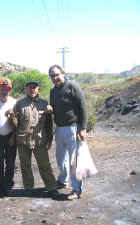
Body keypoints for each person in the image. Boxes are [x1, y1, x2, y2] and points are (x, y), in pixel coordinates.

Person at [8, 80, 60, 199]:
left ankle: (51, 187)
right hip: (23, 140)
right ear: (26, 89)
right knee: (25, 165)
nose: (32, 89)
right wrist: (12, 132)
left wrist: (50, 138)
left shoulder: (44, 104)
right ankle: (29, 188)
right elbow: (16, 123)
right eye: (29, 87)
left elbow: (48, 123)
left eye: (34, 87)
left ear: (38, 89)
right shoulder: (19, 103)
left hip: (39, 140)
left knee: (45, 165)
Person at [49, 65, 88, 200]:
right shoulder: (53, 91)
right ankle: (63, 180)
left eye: (56, 74)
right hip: (59, 128)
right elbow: (53, 108)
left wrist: (82, 128)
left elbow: (83, 106)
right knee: (61, 158)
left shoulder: (72, 86)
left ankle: (77, 189)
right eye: (52, 76)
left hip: (73, 128)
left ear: (63, 73)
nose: (54, 78)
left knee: (74, 161)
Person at [0, 78, 17, 197]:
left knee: (10, 162)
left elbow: (18, 122)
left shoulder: (14, 102)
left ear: (10, 89)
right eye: (2, 88)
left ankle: (8, 185)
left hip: (11, 136)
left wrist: (14, 136)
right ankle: (0, 185)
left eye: (6, 88)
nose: (4, 90)